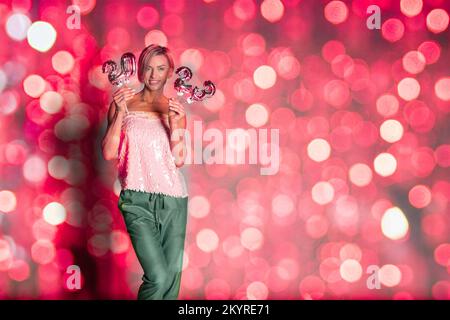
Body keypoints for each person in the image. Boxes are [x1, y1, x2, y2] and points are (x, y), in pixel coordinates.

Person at [101, 44, 189, 300]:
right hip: (136, 200)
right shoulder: (124, 103)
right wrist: (118, 113)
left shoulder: (175, 110)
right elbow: (108, 152)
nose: (153, 75)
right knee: (158, 277)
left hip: (173, 198)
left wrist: (175, 125)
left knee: (171, 281)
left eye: (160, 68)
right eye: (149, 68)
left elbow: (179, 159)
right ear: (140, 71)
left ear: (169, 72)